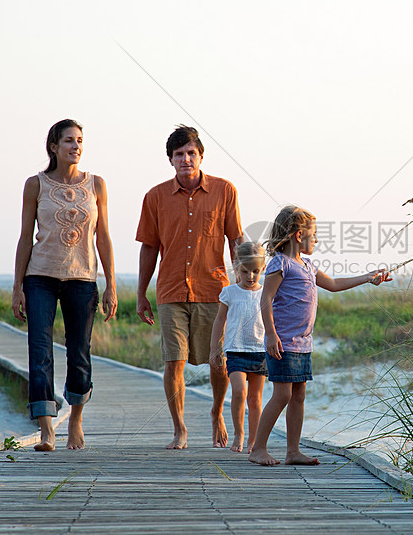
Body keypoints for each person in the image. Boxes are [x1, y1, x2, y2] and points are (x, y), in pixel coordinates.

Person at [248, 206, 391, 466]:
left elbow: (335, 285)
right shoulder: (280, 263)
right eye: (314, 235)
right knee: (282, 395)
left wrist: (368, 277)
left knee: (298, 395)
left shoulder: (309, 266)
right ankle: (258, 448)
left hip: (303, 343)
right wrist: (270, 334)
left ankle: (292, 452)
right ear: (299, 235)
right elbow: (265, 299)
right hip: (284, 342)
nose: (316, 240)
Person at [12, 119, 118, 452]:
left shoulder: (96, 185)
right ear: (54, 147)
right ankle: (46, 430)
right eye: (69, 141)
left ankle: (75, 420)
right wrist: (17, 287)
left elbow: (104, 237)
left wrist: (112, 284)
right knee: (39, 351)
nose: (76, 146)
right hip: (40, 277)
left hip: (82, 278)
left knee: (80, 353)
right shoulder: (36, 184)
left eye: (80, 140)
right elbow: (25, 238)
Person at [136, 125, 244, 449]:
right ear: (170, 160)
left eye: (190, 153)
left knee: (219, 360)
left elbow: (236, 239)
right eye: (179, 155)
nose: (185, 159)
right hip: (170, 291)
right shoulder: (155, 197)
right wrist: (141, 293)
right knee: (174, 361)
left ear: (200, 156)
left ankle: (216, 412)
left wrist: (242, 286)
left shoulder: (225, 191)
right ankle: (180, 429)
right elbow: (148, 247)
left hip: (215, 289)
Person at [208, 242, 267, 453]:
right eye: (245, 271)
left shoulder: (266, 293)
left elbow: (273, 321)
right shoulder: (229, 292)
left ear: (263, 269)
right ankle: (239, 434)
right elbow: (219, 321)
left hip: (260, 351)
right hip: (235, 351)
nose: (250, 276)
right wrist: (215, 348)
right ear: (236, 268)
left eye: (256, 271)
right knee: (240, 392)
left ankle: (254, 439)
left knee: (255, 398)